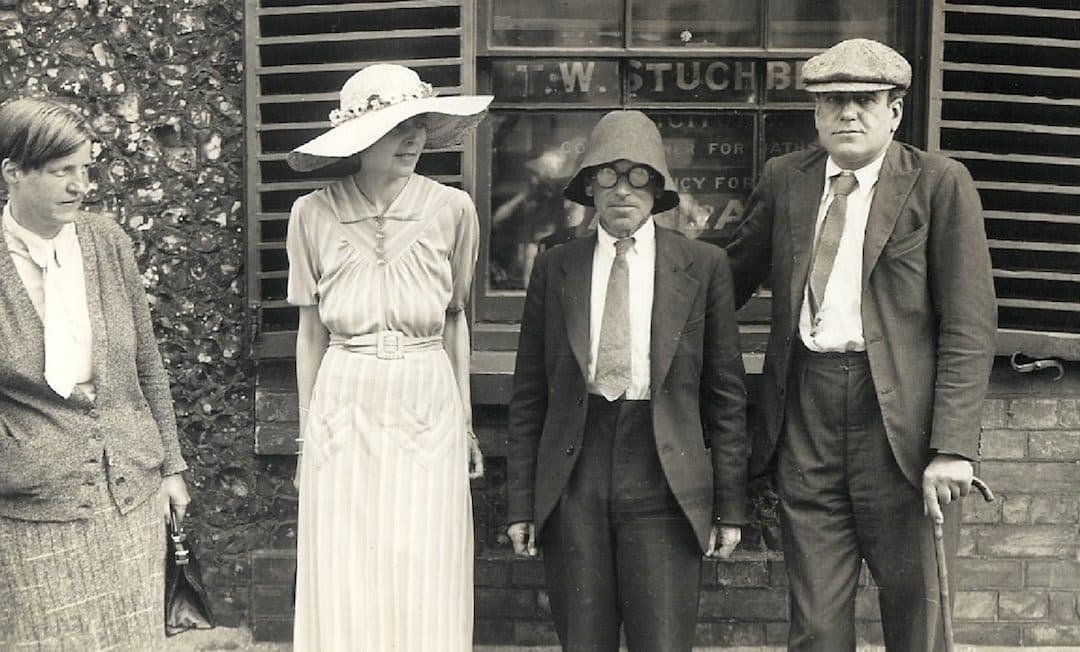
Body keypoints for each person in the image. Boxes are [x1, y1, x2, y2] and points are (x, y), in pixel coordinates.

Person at [725, 39, 996, 651]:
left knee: (916, 622)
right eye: (832, 102)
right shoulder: (786, 181)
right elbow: (726, 282)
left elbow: (969, 325)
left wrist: (952, 446)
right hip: (806, 419)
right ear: (816, 114)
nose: (848, 113)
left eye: (865, 100)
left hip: (901, 431)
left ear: (894, 112)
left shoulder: (938, 184)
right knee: (816, 625)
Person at [507, 110, 748, 652]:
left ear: (658, 188)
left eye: (639, 176)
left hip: (664, 473)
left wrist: (729, 506)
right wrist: (522, 504)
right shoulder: (555, 264)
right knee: (583, 639)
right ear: (589, 185)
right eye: (608, 175)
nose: (623, 191)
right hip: (576, 471)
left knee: (661, 640)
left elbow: (726, 398)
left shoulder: (703, 266)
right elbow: (528, 395)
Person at [284, 64, 492, 651]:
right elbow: (309, 334)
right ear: (358, 140)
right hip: (344, 395)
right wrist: (306, 438)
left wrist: (467, 425)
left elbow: (456, 321)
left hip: (427, 394)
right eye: (397, 126)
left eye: (419, 123)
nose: (414, 138)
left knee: (424, 549)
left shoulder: (454, 210)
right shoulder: (311, 214)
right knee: (346, 551)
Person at [0, 97, 190, 649]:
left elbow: (146, 361)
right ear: (13, 172)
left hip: (128, 493)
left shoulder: (107, 243)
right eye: (62, 171)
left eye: (85, 168)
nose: (80, 185)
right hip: (31, 508)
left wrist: (171, 465)